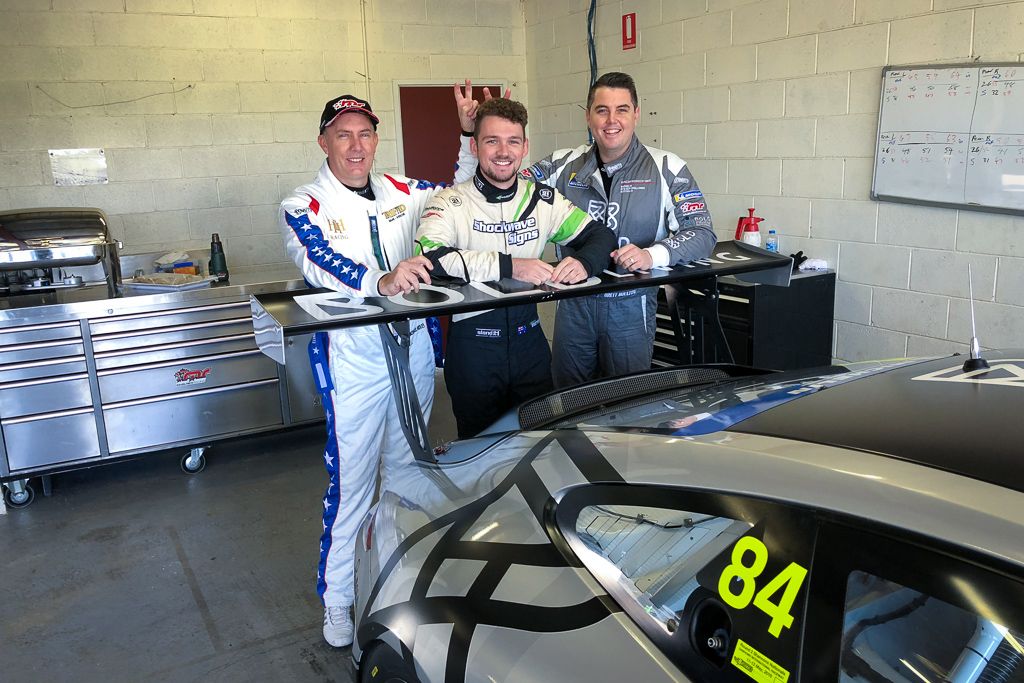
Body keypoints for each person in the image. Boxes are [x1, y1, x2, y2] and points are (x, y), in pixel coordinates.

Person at [279, 93, 474, 648]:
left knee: (411, 474)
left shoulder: (400, 189)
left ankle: (403, 581)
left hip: (412, 351)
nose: (356, 145)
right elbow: (317, 258)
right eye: (343, 134)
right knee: (354, 488)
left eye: (365, 133)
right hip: (354, 362)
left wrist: (465, 137)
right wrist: (379, 280)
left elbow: (455, 197)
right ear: (324, 142)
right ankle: (338, 602)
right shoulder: (304, 202)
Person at [456, 73, 717, 388]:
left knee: (627, 406)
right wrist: (483, 131)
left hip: (630, 308)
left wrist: (653, 254)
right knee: (568, 403)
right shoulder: (563, 163)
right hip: (573, 307)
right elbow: (495, 184)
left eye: (621, 109)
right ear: (588, 115)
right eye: (602, 110)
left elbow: (702, 232)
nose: (611, 120)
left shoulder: (667, 166)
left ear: (636, 113)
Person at [416, 97, 616, 438]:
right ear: (476, 146)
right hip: (474, 348)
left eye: (513, 141)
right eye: (492, 141)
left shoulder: (543, 199)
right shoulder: (450, 201)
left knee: (537, 445)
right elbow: (431, 259)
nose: (503, 151)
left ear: (525, 148)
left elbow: (601, 235)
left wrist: (584, 262)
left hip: (531, 346)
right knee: (478, 450)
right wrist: (510, 266)